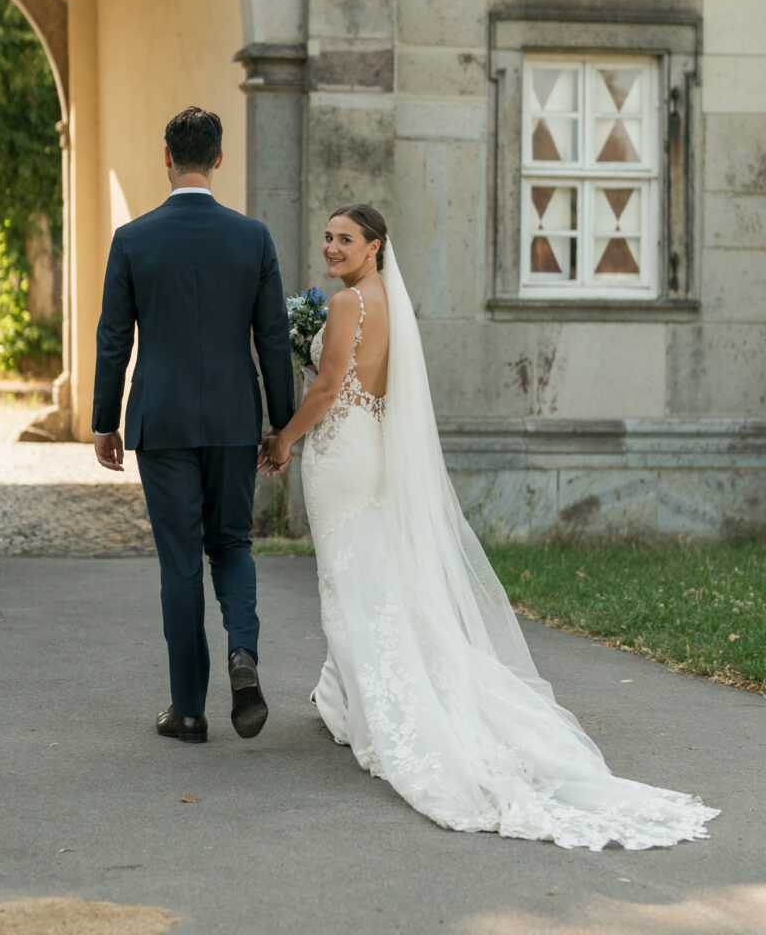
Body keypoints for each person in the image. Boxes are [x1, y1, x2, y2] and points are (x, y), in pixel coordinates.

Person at [259, 205, 720, 849]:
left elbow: (332, 383)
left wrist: (283, 439)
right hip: (370, 448)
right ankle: (344, 696)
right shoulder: (386, 300)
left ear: (374, 246)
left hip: (340, 451)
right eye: (329, 238)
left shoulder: (345, 307)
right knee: (370, 576)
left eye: (346, 240)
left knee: (351, 581)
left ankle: (379, 712)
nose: (333, 248)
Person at [93, 106, 294, 744]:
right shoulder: (253, 237)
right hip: (235, 418)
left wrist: (105, 421)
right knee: (231, 544)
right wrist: (281, 427)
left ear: (166, 156)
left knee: (180, 561)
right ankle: (243, 654)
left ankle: (187, 709)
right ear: (219, 159)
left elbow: (112, 340)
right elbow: (274, 339)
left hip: (163, 419)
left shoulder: (133, 239)